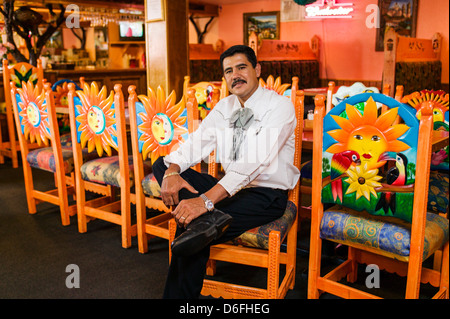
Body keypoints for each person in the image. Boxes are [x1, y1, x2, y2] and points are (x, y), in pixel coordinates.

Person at [152, 45, 300, 298]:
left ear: (257, 69)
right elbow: (194, 145)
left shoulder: (280, 107)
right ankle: (206, 221)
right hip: (229, 190)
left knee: (193, 235)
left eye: (242, 67)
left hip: (265, 196)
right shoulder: (225, 106)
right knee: (162, 164)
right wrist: (172, 172)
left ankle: (202, 224)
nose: (235, 75)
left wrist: (205, 201)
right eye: (228, 71)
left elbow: (254, 163)